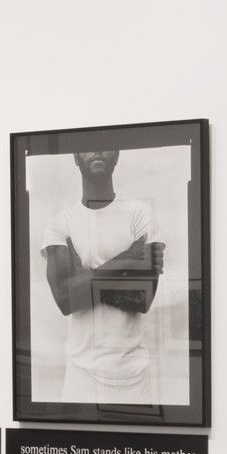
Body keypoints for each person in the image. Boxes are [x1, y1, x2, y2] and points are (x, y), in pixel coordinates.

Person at [40, 148, 164, 405]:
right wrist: (128, 259)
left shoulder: (140, 214)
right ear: (75, 157)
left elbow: (143, 299)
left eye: (105, 145)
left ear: (117, 155)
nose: (97, 150)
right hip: (80, 376)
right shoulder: (60, 223)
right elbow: (65, 300)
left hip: (134, 376)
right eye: (86, 146)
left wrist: (84, 280)